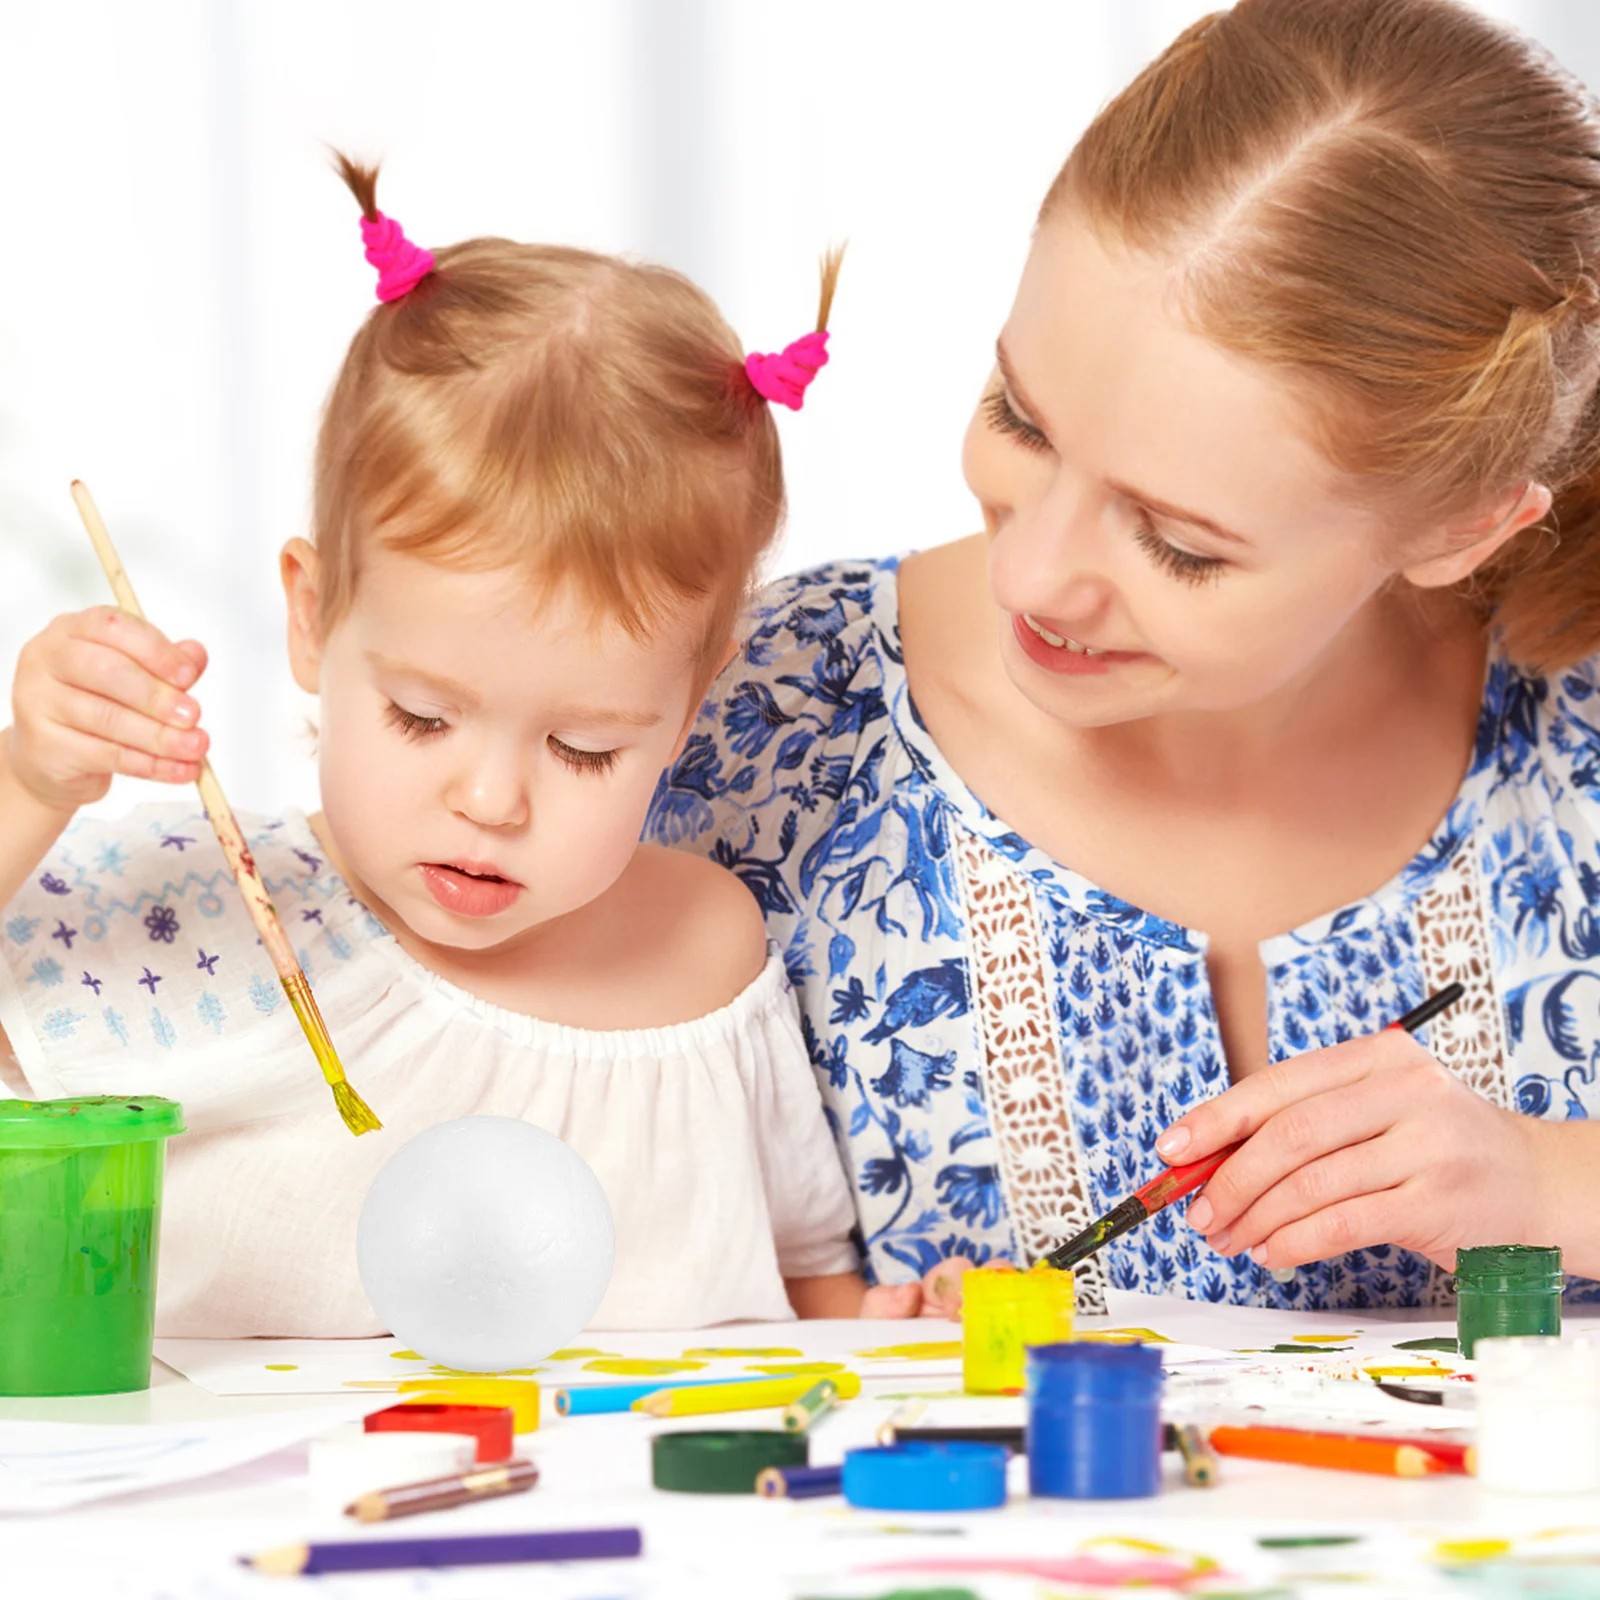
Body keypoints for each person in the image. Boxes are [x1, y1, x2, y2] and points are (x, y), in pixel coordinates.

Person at [650, 0, 1600, 1314]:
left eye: (1180, 545)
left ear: (1458, 528)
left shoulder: (1581, 731)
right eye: (1019, 422)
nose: (1031, 576)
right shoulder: (730, 727)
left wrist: (1554, 1188)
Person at [0, 157, 935, 1335]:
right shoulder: (220, 911)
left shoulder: (712, 951)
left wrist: (905, 1330)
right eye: (423, 718)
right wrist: (28, 780)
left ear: (693, 700)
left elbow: (800, 1281)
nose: (490, 799)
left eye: (586, 746)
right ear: (313, 615)